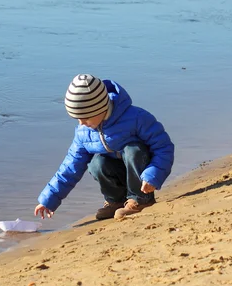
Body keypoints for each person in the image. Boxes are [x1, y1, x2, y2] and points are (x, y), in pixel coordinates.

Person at [34, 74, 174, 221]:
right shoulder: (84, 132)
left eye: (85, 117)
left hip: (142, 173)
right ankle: (116, 200)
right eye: (78, 119)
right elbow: (70, 167)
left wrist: (153, 175)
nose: (81, 123)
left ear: (101, 108)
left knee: (133, 150)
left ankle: (140, 200)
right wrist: (48, 199)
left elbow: (163, 147)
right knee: (97, 163)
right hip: (118, 171)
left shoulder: (136, 118)